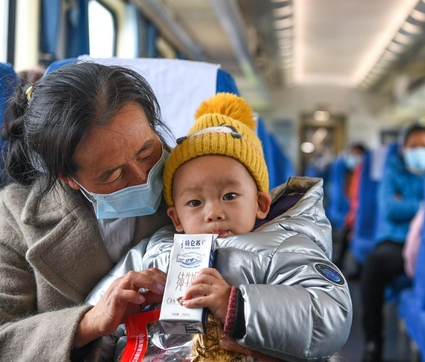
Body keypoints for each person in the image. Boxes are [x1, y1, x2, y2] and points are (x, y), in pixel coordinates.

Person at [87, 93, 353, 362]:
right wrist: (108, 316)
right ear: (176, 218)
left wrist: (236, 305)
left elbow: (329, 313)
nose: (213, 212)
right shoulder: (153, 251)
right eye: (194, 202)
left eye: (229, 196)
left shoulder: (284, 245)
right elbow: (99, 316)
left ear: (260, 204)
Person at [0, 61, 196, 361]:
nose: (143, 177)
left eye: (146, 151)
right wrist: (86, 324)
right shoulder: (20, 220)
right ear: (68, 179)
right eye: (112, 174)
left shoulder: (199, 178)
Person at [360, 125, 425, 362]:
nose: (419, 151)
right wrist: (423, 205)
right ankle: (374, 341)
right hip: (396, 240)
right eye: (414, 147)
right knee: (374, 264)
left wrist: (408, 203)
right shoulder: (393, 169)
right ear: (403, 149)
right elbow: (390, 209)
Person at [334, 143, 366, 274]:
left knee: (347, 234)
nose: (354, 158)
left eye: (358, 155)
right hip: (353, 213)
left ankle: (356, 267)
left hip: (359, 214)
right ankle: (340, 262)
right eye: (352, 154)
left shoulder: (364, 176)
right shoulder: (348, 175)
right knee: (345, 235)